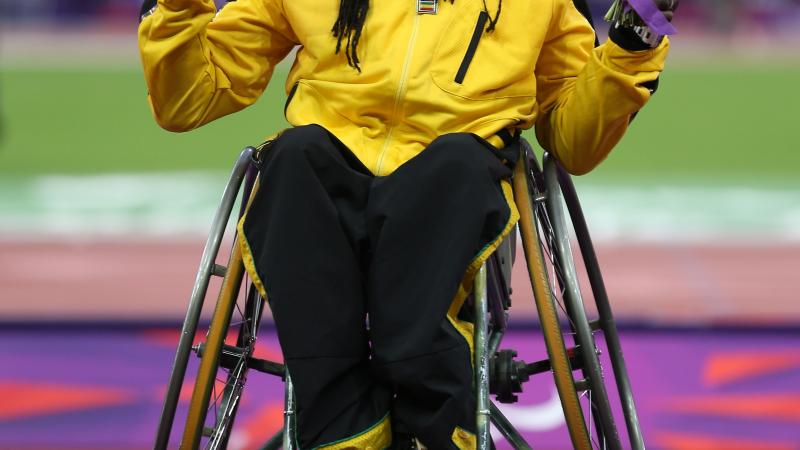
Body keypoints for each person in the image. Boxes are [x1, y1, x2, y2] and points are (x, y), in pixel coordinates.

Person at [138, 0, 677, 448]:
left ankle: (437, 425)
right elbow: (189, 98)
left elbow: (572, 139)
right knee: (294, 157)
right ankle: (346, 434)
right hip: (328, 177)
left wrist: (632, 46)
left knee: (454, 165)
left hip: (455, 182)